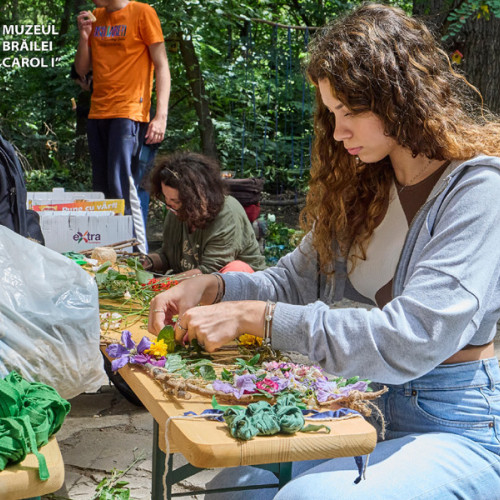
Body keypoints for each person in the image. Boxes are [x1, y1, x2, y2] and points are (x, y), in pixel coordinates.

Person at [147, 4, 500, 499]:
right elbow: (290, 282)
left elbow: (414, 336)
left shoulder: (480, 190)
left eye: (352, 112)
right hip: (362, 405)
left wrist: (260, 318)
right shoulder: (364, 186)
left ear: (401, 97)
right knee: (235, 488)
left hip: (454, 425)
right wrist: (217, 287)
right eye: (333, 114)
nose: (338, 133)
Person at [75, 0, 171, 252]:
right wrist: (84, 36)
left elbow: (162, 66)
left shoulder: (143, 13)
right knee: (103, 191)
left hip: (130, 112)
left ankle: (137, 256)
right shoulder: (96, 17)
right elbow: (82, 69)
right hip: (98, 113)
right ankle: (112, 256)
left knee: (124, 189)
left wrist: (160, 116)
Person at [142, 151, 267, 276]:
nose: (169, 205)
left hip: (237, 285)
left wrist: (163, 285)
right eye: (165, 198)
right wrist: (147, 261)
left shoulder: (226, 213)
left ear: (196, 198)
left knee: (236, 268)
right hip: (191, 283)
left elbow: (210, 270)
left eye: (176, 201)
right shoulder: (176, 212)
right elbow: (168, 256)